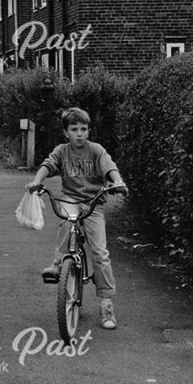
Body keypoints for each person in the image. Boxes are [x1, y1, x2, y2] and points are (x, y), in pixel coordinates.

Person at [24, 107, 128, 330]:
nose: (79, 133)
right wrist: (36, 181)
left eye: (83, 129)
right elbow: (48, 164)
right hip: (71, 199)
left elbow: (110, 168)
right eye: (74, 129)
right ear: (66, 132)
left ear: (88, 131)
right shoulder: (62, 151)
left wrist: (117, 182)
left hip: (93, 203)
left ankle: (106, 304)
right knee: (66, 222)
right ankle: (59, 262)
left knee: (100, 253)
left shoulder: (96, 150)